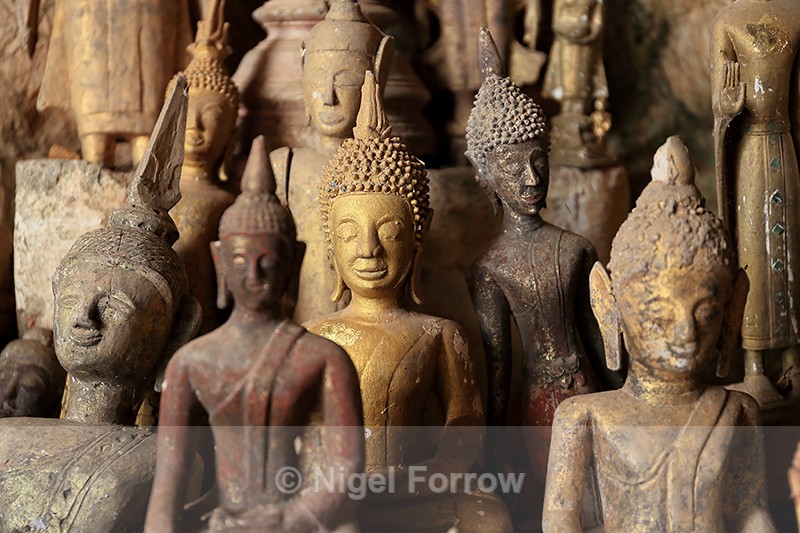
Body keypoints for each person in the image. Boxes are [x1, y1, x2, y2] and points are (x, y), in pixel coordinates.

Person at [305, 71, 512, 533]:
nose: (368, 250)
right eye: (348, 233)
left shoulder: (439, 334)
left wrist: (428, 477)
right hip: (337, 498)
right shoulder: (312, 336)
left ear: (419, 236)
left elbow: (464, 425)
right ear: (329, 244)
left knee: (490, 520)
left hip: (415, 492)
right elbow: (293, 435)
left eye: (390, 231)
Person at [543, 137, 776, 533]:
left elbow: (749, 511)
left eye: (705, 312)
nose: (685, 331)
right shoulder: (583, 416)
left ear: (732, 311)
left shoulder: (737, 411)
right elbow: (560, 519)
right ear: (610, 309)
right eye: (659, 313)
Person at [270, 0, 393, 323]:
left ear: (377, 76)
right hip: (301, 320)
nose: (328, 97)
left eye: (345, 81)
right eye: (317, 79)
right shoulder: (285, 166)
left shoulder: (387, 168)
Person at [712, 0, 800, 405]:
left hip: (785, 146)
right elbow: (719, 104)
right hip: (750, 153)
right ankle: (754, 366)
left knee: (791, 249)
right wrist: (726, 108)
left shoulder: (795, 14)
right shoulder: (727, 21)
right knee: (753, 254)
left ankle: (793, 359)